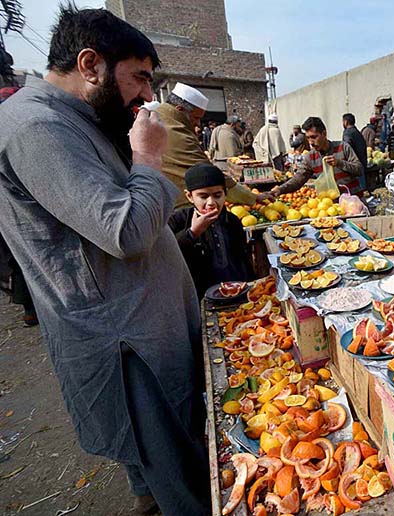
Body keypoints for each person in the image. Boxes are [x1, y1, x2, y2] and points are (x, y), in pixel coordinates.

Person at [0, 7, 210, 515]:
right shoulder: (36, 128)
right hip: (126, 339)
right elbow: (127, 231)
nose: (145, 94)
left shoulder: (78, 120)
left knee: (166, 456)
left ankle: (150, 497)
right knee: (180, 474)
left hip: (143, 324)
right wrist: (149, 158)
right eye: (138, 77)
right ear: (90, 64)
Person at [155, 82, 263, 209]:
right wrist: (252, 197)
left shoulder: (160, 118)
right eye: (195, 117)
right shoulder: (175, 132)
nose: (198, 124)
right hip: (175, 210)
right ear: (179, 110)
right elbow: (208, 175)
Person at [169, 163, 254, 298]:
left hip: (236, 292)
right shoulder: (178, 221)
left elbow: (243, 258)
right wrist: (192, 233)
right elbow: (169, 256)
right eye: (203, 196)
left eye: (217, 195)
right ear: (190, 196)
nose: (211, 202)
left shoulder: (232, 221)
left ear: (225, 194)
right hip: (199, 298)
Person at [269, 116, 364, 198]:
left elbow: (359, 169)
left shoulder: (342, 147)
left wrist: (339, 163)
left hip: (354, 201)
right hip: (332, 207)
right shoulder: (310, 157)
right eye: (308, 138)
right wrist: (280, 190)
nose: (310, 142)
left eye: (314, 137)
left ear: (324, 134)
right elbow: (298, 179)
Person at [342, 113, 368, 188]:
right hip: (362, 164)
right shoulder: (358, 132)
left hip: (354, 167)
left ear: (346, 122)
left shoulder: (347, 133)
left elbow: (347, 147)